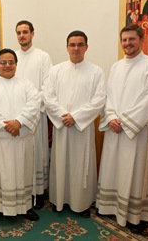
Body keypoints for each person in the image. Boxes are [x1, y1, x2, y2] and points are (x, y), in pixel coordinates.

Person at [96, 24, 148, 234]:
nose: (127, 43)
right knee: (114, 169)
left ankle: (137, 216)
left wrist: (124, 121)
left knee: (136, 172)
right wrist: (112, 118)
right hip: (115, 128)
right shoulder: (116, 67)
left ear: (141, 40)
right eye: (124, 40)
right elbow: (108, 97)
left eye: (131, 39)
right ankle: (110, 207)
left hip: (137, 130)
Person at [43, 30, 106, 218]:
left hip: (82, 128)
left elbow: (99, 100)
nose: (76, 48)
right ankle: (58, 200)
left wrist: (76, 117)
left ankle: (82, 203)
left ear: (86, 47)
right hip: (62, 126)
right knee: (60, 163)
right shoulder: (56, 70)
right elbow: (48, 96)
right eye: (72, 44)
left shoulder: (96, 72)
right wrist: (64, 116)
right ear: (67, 47)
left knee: (81, 165)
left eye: (80, 44)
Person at [0, 48, 41, 225]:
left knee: (23, 172)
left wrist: (19, 122)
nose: (7, 65)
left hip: (21, 139)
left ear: (16, 64)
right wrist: (7, 126)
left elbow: (34, 104)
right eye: (3, 62)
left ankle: (25, 206)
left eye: (11, 62)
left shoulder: (26, 84)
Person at [15, 20, 53, 209]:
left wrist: (29, 107)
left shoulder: (43, 57)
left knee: (37, 154)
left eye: (25, 32)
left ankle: (38, 192)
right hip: (16, 116)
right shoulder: (13, 57)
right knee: (20, 156)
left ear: (32, 33)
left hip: (35, 115)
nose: (22, 35)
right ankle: (22, 190)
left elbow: (47, 86)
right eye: (19, 33)